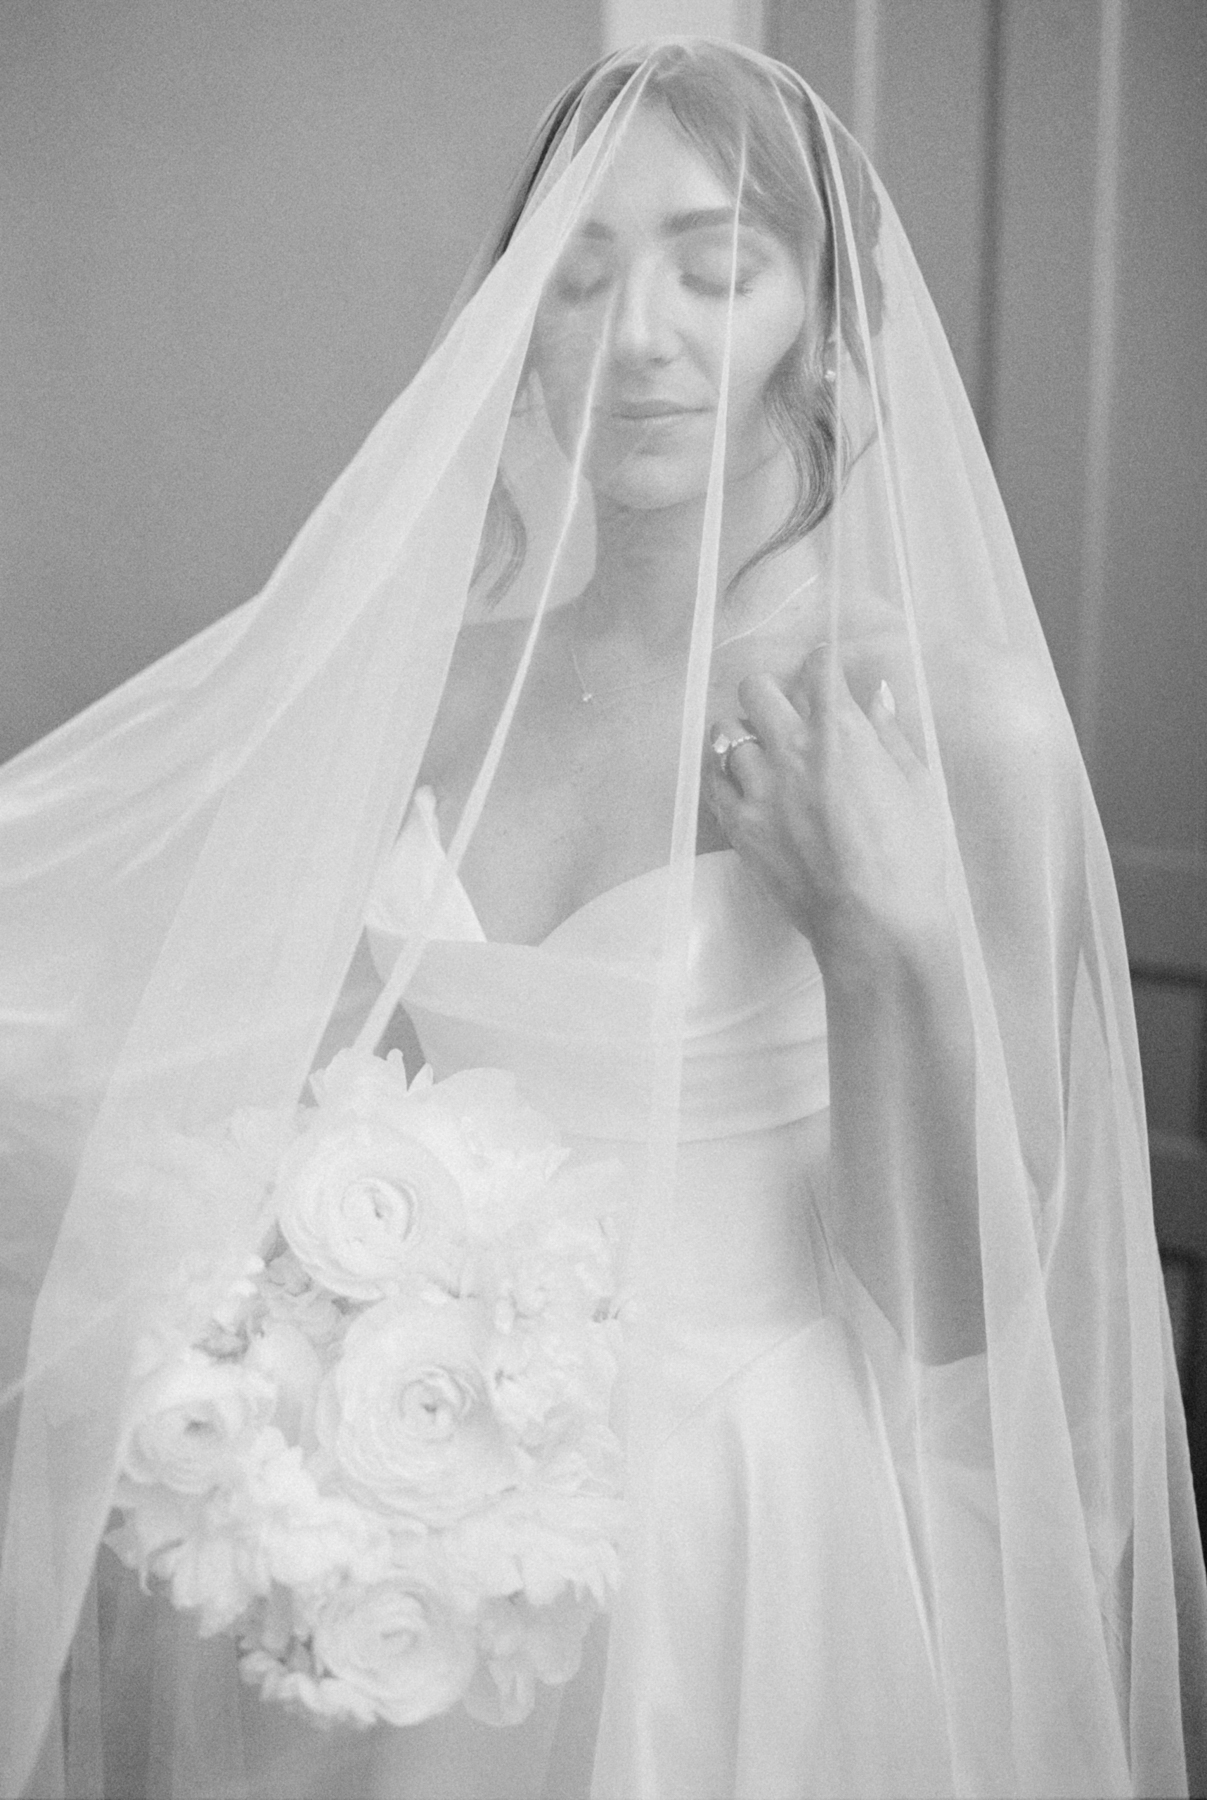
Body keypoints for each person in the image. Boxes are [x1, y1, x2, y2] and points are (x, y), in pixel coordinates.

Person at [0, 39, 1203, 1800]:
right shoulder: (436, 692)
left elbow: (963, 1323)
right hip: (406, 1544)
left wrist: (890, 947)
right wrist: (271, 1393)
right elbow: (304, 1111)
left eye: (721, 271)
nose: (640, 335)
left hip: (749, 1529)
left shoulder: (950, 722)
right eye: (577, 278)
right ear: (521, 330)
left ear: (828, 325)